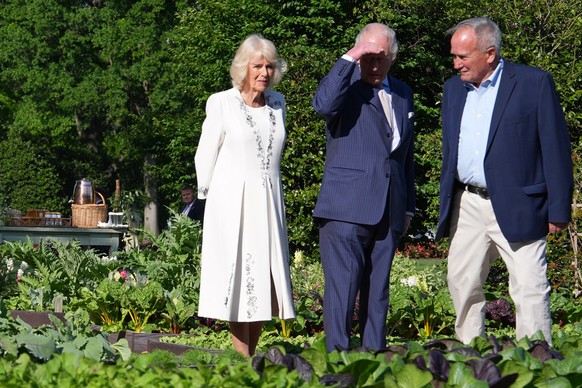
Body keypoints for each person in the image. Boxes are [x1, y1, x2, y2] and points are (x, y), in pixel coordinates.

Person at [436, 17, 573, 345]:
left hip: (521, 203)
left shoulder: (534, 83)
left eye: (462, 57)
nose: (455, 64)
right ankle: (472, 353)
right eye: (453, 56)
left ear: (490, 53)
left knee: (529, 286)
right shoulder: (453, 88)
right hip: (466, 203)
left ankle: (537, 360)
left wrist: (558, 209)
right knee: (462, 281)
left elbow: (555, 147)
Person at [313, 23, 416, 352]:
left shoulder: (402, 93)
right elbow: (323, 105)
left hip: (389, 208)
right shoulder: (345, 88)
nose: (373, 65)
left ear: (392, 58)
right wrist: (351, 57)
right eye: (366, 57)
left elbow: (404, 157)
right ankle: (339, 362)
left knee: (378, 291)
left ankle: (374, 356)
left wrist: (408, 207)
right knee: (342, 289)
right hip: (345, 207)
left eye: (380, 58)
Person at [194, 34, 295, 357]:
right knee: (239, 281)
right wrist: (204, 197)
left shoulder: (278, 104)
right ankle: (242, 360)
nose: (264, 72)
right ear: (243, 68)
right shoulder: (222, 102)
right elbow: (205, 154)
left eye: (269, 66)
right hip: (232, 205)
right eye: (257, 66)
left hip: (268, 203)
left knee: (263, 281)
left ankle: (251, 356)